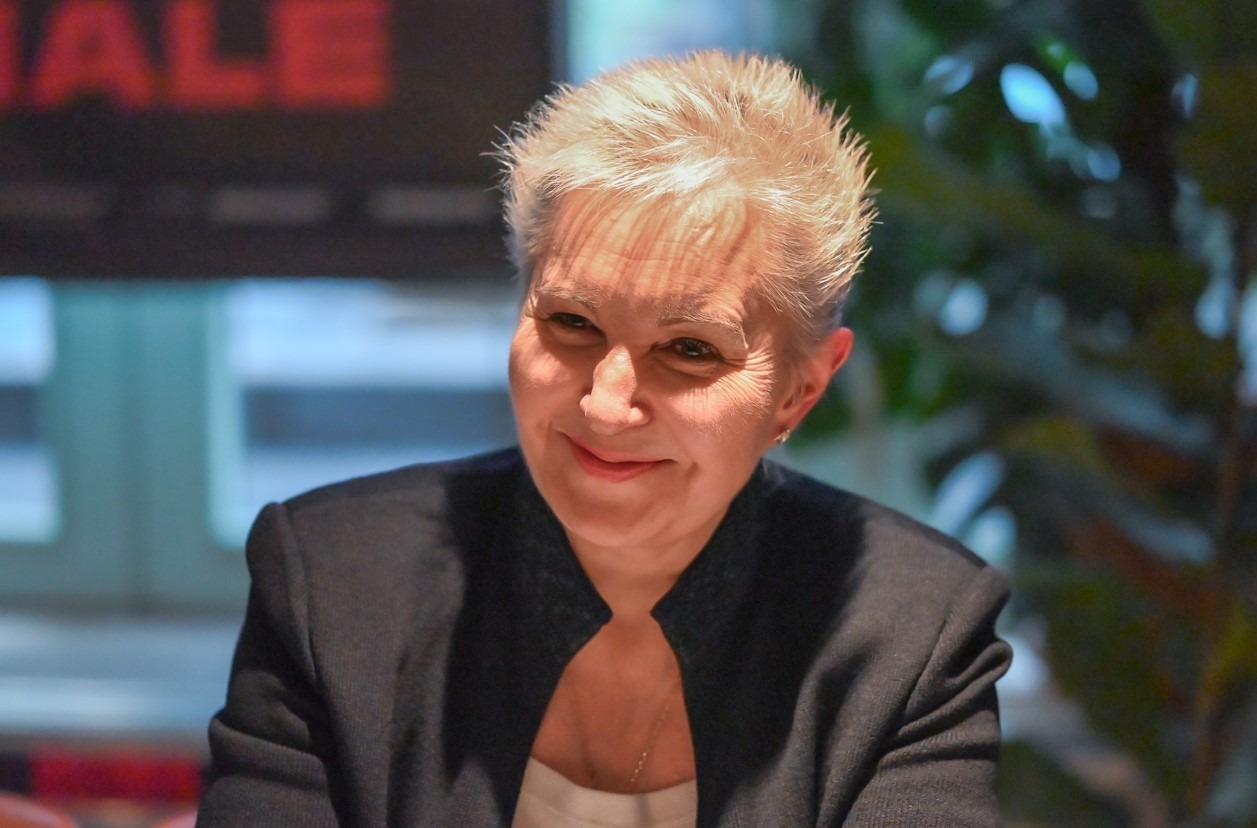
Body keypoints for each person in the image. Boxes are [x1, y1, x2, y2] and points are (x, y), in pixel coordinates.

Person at [198, 50, 1012, 827]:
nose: (605, 404)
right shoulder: (331, 584)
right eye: (571, 322)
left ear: (799, 391)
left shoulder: (912, 632)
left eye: (688, 348)